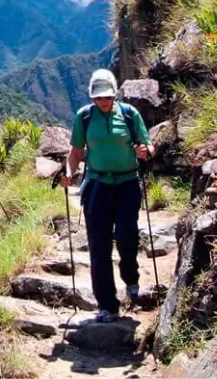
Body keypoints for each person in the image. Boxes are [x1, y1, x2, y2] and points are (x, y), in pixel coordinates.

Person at [59, 69, 155, 323]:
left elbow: (147, 145)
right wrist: (69, 172)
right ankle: (107, 305)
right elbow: (76, 152)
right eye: (98, 97)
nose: (103, 101)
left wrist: (144, 150)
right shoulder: (85, 117)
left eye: (107, 96)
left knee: (127, 235)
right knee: (99, 247)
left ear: (114, 94)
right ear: (92, 97)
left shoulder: (129, 114)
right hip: (97, 185)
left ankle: (131, 278)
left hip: (127, 184)